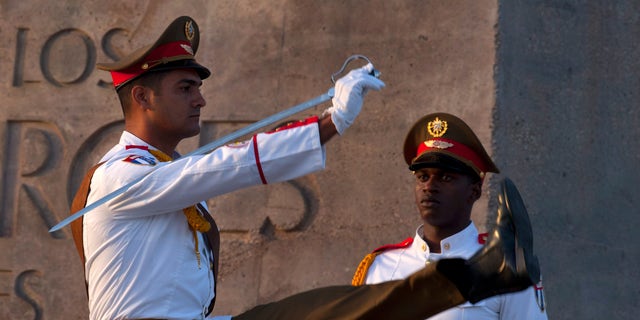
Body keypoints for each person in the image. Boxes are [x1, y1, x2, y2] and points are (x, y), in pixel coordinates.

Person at [68, 15, 542, 320]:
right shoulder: (121, 177)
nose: (200, 99)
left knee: (327, 311)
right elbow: (223, 167)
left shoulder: (157, 176)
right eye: (185, 88)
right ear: (142, 96)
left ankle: (482, 274)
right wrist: (329, 123)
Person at [351, 112, 548, 319]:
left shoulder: (505, 267)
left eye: (445, 177)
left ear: (474, 191)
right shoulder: (380, 266)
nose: (429, 186)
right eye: (423, 177)